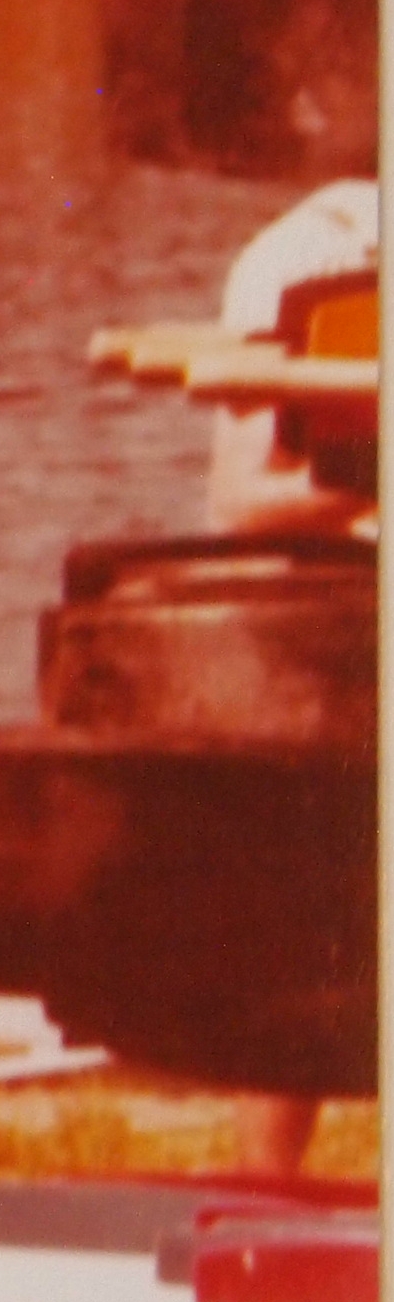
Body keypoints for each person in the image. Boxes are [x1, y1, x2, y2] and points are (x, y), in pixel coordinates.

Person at [200, 171, 379, 1178]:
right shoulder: (299, 257)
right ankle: (266, 1197)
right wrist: (357, 503)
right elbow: (241, 501)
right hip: (318, 643)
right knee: (302, 924)